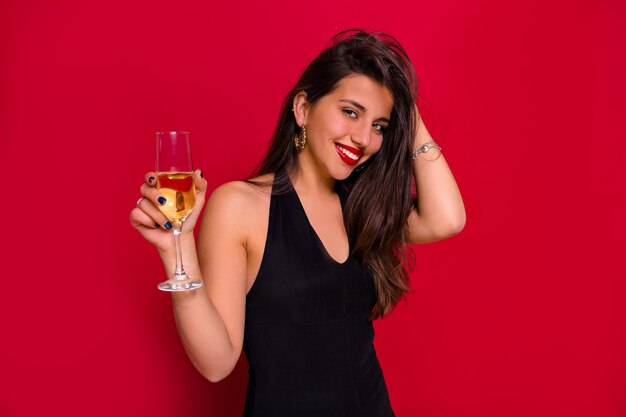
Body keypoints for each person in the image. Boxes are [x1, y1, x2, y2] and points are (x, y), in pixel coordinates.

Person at [129, 29, 466, 417]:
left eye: (380, 126)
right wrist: (177, 250)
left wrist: (405, 108)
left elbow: (448, 219)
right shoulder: (241, 205)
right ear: (303, 108)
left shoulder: (362, 206)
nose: (362, 137)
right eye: (351, 112)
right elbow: (217, 363)